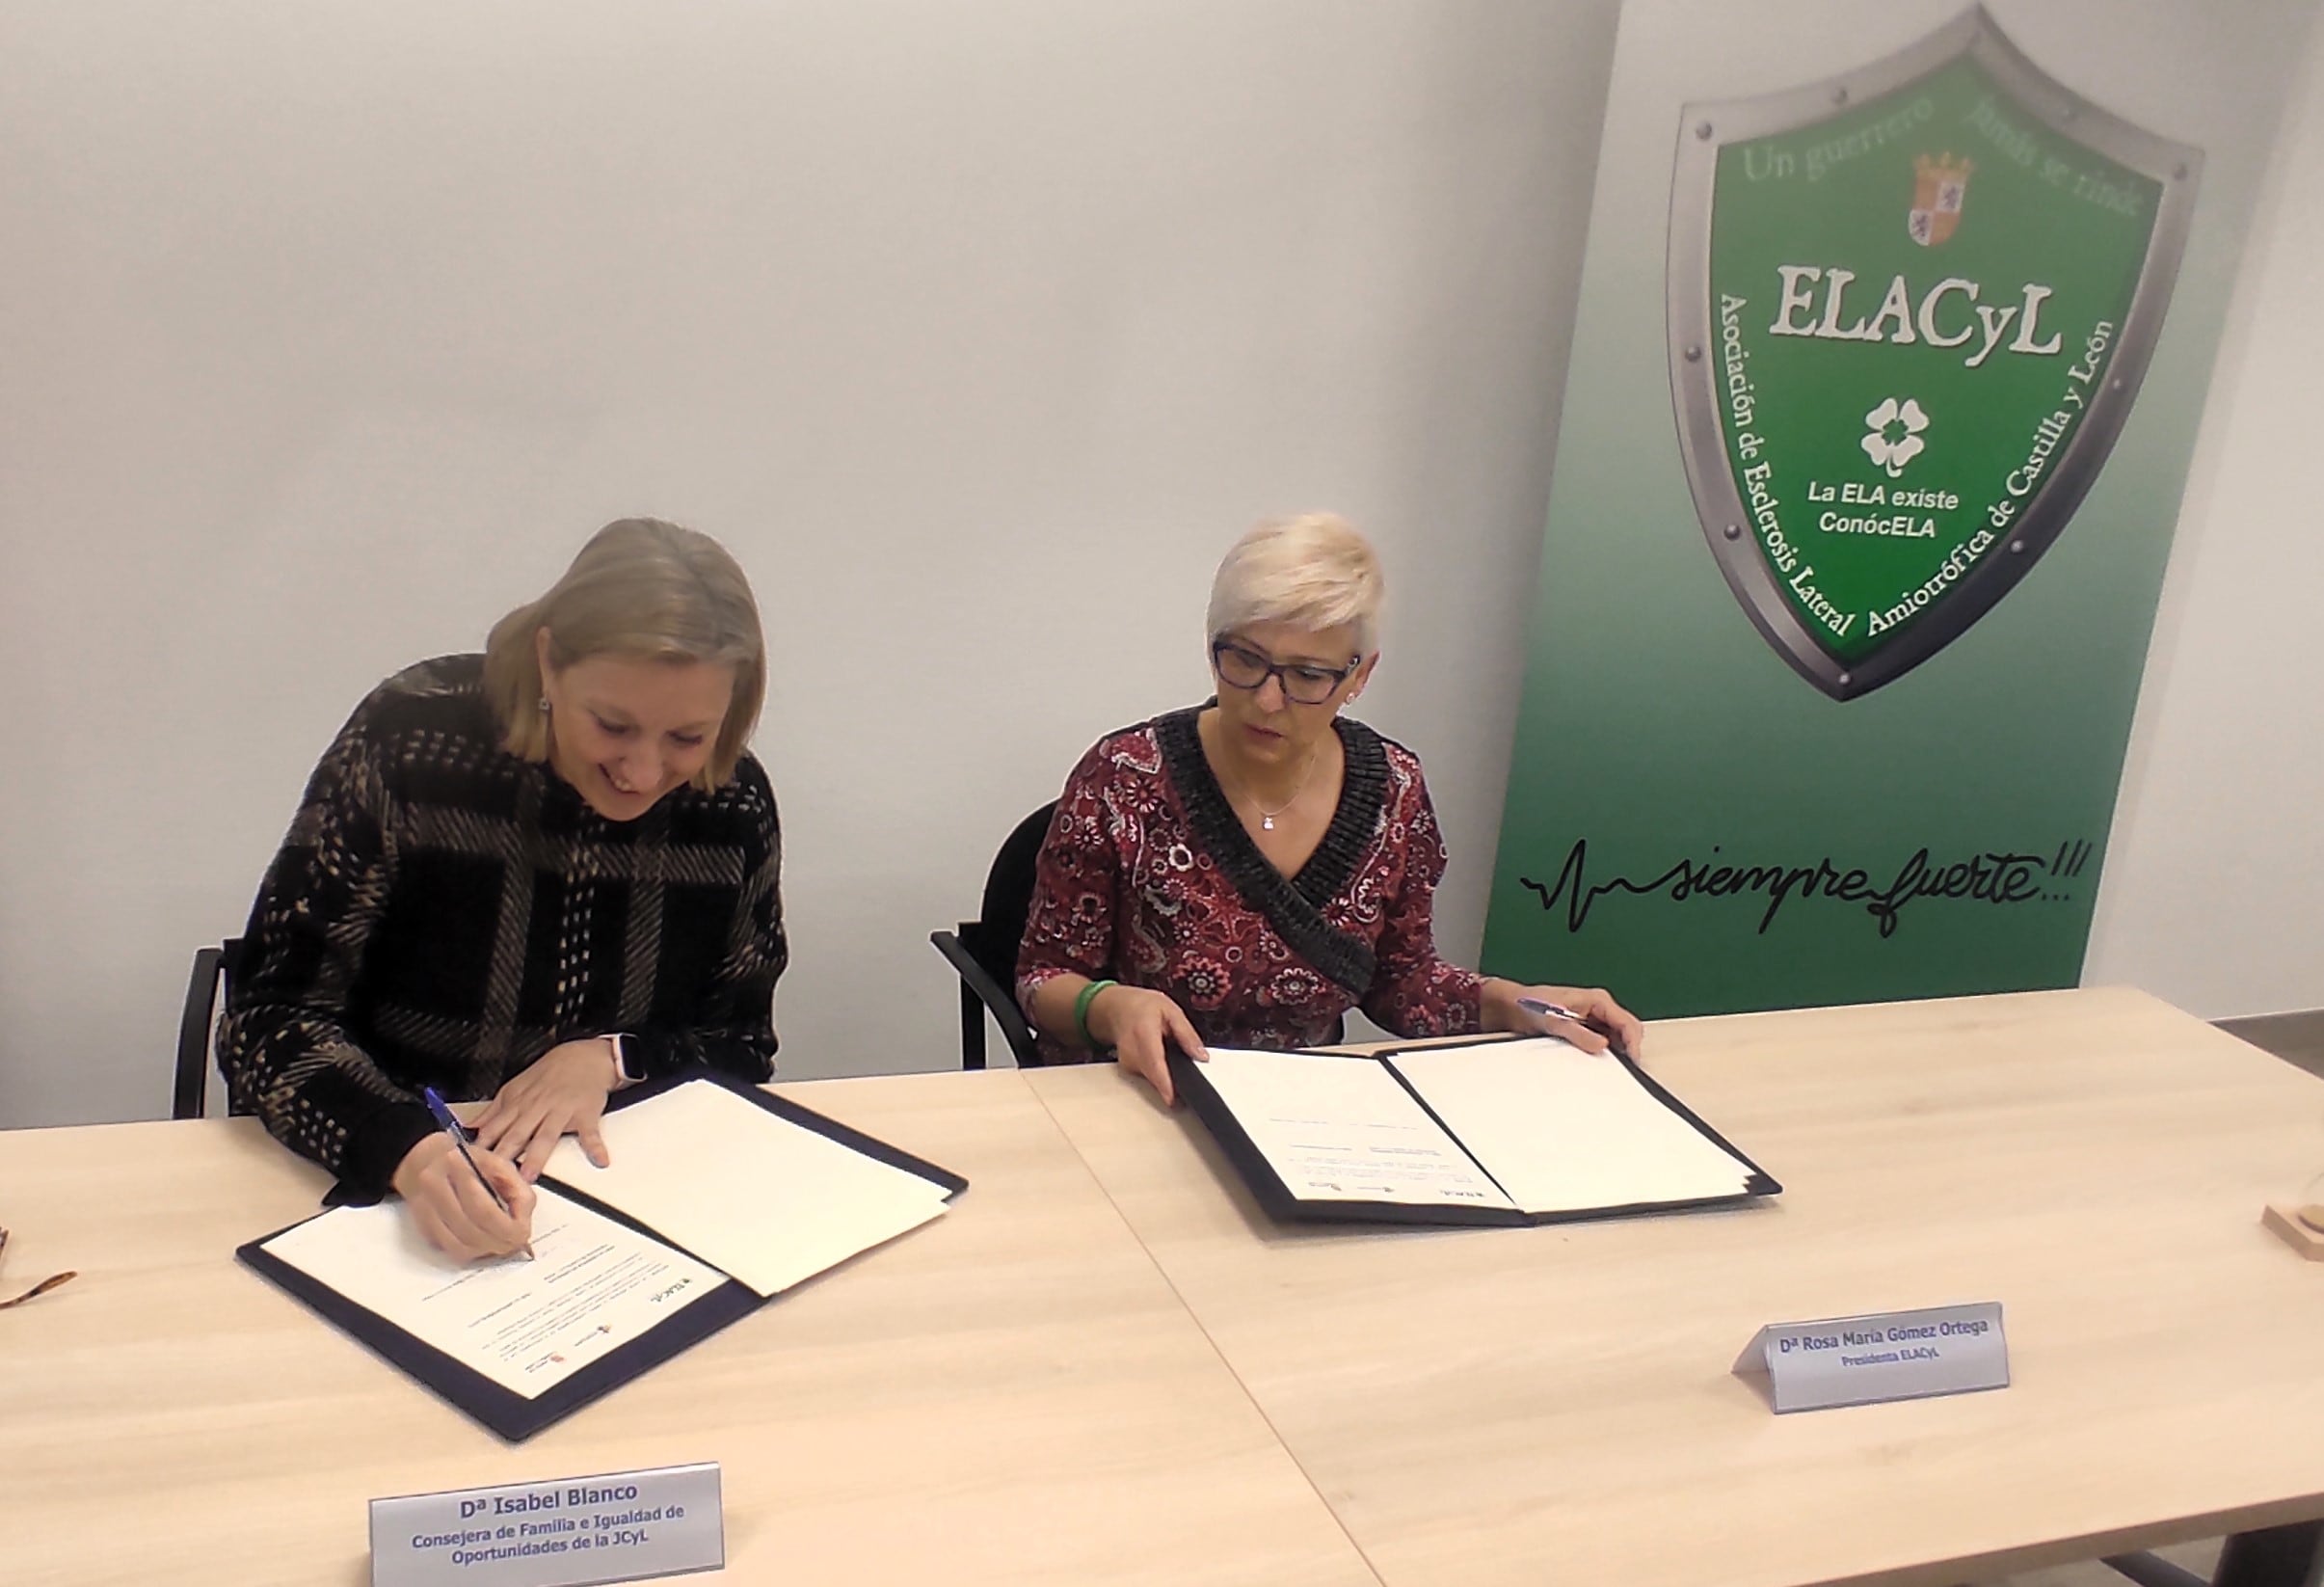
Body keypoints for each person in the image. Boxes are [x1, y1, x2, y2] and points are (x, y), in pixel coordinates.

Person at [218, 518, 785, 1260]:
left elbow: (740, 1043)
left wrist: (613, 1058)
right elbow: (270, 1016)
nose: (643, 773)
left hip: (620, 1208)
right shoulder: (413, 741)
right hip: (394, 1187)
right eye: (612, 725)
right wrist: (408, 1150)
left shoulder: (730, 804)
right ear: (549, 661)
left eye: (687, 738)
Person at [1016, 512, 1644, 1104]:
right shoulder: (1124, 777)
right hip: (1140, 1096)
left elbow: (1401, 982)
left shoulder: (1392, 791)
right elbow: (1042, 979)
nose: (1267, 700)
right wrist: (1111, 1006)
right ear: (1213, 647)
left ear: (1358, 676)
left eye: (1307, 675)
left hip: (1303, 1108)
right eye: (1245, 660)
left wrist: (1519, 1004)